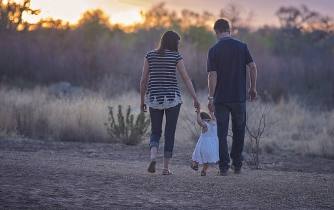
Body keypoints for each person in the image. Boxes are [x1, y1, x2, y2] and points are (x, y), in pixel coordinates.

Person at [140, 31, 200, 175]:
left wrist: (142, 100)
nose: (178, 45)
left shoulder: (150, 55)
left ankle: (153, 157)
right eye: (177, 43)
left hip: (154, 98)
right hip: (172, 98)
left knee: (155, 131)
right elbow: (186, 79)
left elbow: (143, 79)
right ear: (173, 42)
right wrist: (195, 98)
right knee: (170, 133)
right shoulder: (176, 56)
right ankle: (165, 168)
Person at [207, 19, 258, 176]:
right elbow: (253, 67)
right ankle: (237, 165)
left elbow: (212, 75)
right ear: (229, 31)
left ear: (216, 31)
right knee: (239, 130)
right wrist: (252, 87)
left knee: (221, 132)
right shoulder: (242, 46)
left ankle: (223, 167)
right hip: (239, 97)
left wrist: (211, 97)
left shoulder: (213, 50)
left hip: (221, 98)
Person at [191, 109, 219, 176]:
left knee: (196, 155)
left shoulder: (205, 125)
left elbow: (199, 122)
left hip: (204, 145)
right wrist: (212, 113)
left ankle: (195, 166)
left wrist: (198, 114)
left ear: (202, 119)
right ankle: (203, 171)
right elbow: (214, 118)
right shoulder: (214, 123)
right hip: (212, 146)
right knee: (207, 160)